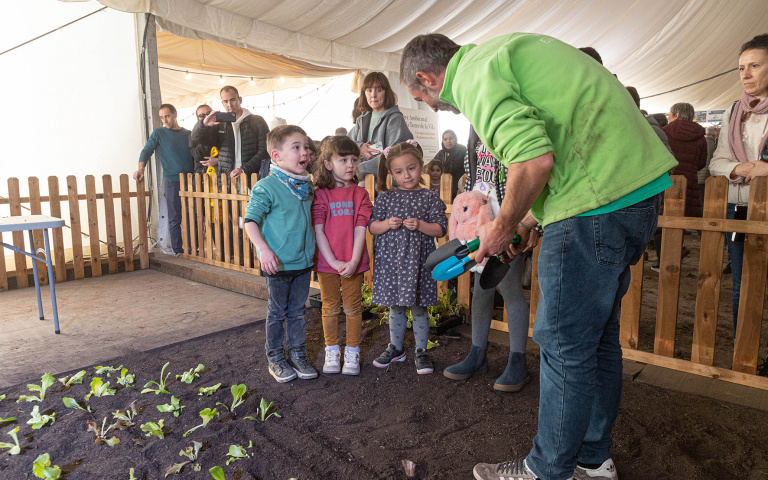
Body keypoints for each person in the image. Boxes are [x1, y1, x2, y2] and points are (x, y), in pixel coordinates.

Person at [400, 33, 676, 480]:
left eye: (422, 97)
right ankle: (592, 461)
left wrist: (502, 226)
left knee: (563, 343)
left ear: (426, 78)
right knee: (597, 339)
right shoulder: (504, 54)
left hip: (593, 205)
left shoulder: (472, 75)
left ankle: (547, 471)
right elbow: (558, 148)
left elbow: (533, 162)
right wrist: (527, 224)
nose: (433, 107)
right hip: (631, 196)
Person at [443, 126, 540, 392]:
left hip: (507, 221)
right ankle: (477, 353)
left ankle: (518, 360)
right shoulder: (474, 136)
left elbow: (530, 179)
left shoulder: (510, 131)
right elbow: (473, 180)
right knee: (482, 289)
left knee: (509, 289)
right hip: (480, 224)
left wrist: (526, 222)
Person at [243, 125, 318, 384]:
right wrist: (263, 250)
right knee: (277, 312)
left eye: (306, 147)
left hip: (303, 261)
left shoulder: (306, 185)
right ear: (277, 155)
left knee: (297, 312)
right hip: (277, 264)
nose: (304, 152)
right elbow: (250, 221)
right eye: (296, 147)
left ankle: (297, 353)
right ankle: (275, 357)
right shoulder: (266, 187)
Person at [369, 140, 447, 374]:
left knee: (419, 307)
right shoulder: (385, 198)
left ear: (421, 166)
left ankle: (421, 351)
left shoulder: (429, 197)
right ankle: (396, 348)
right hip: (392, 263)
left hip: (419, 263)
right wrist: (385, 224)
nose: (406, 175)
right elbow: (372, 227)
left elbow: (441, 229)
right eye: (399, 171)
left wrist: (422, 225)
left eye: (411, 168)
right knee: (395, 307)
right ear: (392, 173)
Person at [709, 33, 768, 339]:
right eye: (741, 67)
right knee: (742, 283)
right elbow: (716, 163)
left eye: (754, 66)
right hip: (739, 206)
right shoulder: (734, 111)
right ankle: (742, 351)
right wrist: (742, 168)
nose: (745, 74)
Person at [313, 136, 373, 376]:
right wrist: (333, 261)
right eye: (344, 160)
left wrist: (354, 261)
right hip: (328, 263)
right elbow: (319, 230)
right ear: (328, 164)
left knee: (352, 307)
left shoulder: (360, 194)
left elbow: (361, 229)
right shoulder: (321, 195)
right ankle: (332, 350)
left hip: (352, 262)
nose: (350, 165)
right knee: (329, 307)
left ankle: (352, 352)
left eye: (354, 160)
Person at [133, 103, 195, 255]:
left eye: (167, 116)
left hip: (191, 180)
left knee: (192, 215)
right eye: (162, 118)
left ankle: (193, 250)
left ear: (175, 114)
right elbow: (146, 150)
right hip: (172, 181)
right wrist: (141, 168)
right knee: (175, 217)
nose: (165, 120)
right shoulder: (159, 133)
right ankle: (178, 250)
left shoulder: (189, 133)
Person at [191, 86, 271, 185]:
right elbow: (197, 139)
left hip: (253, 178)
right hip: (227, 181)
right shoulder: (220, 124)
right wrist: (204, 124)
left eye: (233, 100)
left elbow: (265, 150)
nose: (230, 105)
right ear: (222, 103)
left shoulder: (257, 121)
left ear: (240, 99)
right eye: (225, 101)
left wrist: (244, 169)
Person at [348, 72, 413, 184]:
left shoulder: (395, 119)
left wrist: (359, 170)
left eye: (378, 90)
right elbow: (345, 145)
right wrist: (359, 147)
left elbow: (394, 155)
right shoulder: (361, 120)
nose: (373, 95)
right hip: (361, 185)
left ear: (386, 93)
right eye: (369, 90)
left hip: (386, 187)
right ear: (364, 93)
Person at [664, 102, 708, 217]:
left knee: (666, 215)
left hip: (667, 180)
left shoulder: (664, 133)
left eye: (670, 114)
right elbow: (702, 162)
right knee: (687, 217)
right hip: (690, 181)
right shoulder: (700, 136)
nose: (668, 117)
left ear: (676, 115)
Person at [432, 129, 467, 199]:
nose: (448, 141)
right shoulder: (441, 153)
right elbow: (431, 165)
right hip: (444, 186)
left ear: (455, 139)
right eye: (445, 139)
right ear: (443, 141)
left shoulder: (463, 150)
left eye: (450, 138)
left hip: (459, 187)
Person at [700, 126, 717, 207]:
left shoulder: (701, 143)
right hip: (709, 177)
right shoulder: (715, 146)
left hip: (698, 177)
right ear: (715, 135)